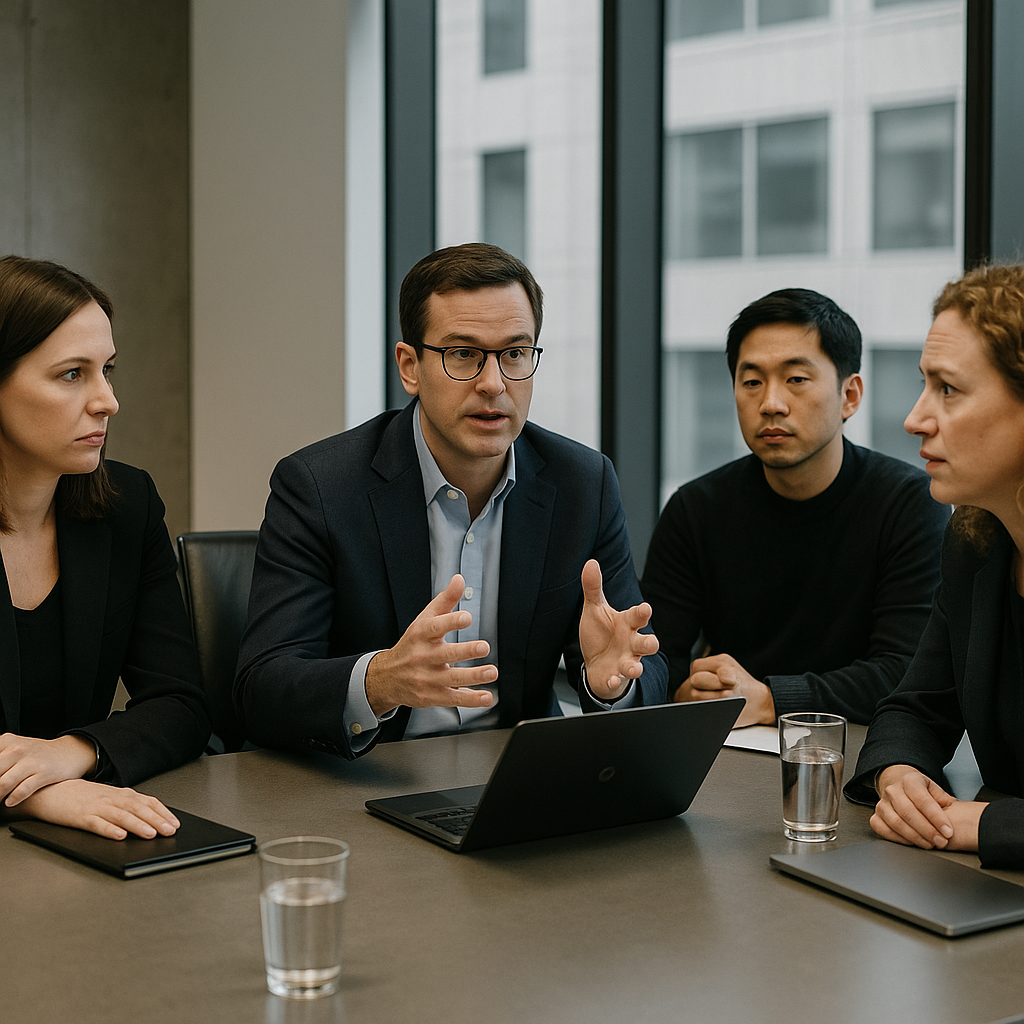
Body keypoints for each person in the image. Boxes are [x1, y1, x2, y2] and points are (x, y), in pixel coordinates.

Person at [235, 243, 667, 758]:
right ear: (410, 366)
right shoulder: (319, 487)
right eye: (463, 354)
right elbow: (260, 689)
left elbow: (638, 662)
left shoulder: (582, 483)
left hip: (516, 779)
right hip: (367, 783)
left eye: (514, 354)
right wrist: (380, 682)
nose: (492, 384)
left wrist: (609, 684)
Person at [641, 288, 947, 728]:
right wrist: (682, 689)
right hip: (729, 748)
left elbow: (906, 672)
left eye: (796, 379)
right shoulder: (696, 509)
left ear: (850, 396)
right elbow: (658, 656)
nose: (771, 403)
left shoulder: (909, 502)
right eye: (751, 382)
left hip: (861, 752)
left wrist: (769, 699)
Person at [0, 256, 210, 840]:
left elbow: (182, 706)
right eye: (72, 374)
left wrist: (74, 753)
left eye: (107, 370)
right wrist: (36, 799)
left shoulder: (126, 504)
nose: (107, 401)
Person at [845, 264, 1024, 869]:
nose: (916, 418)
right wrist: (900, 776)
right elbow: (916, 706)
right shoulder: (976, 545)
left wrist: (995, 825)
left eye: (947, 388)